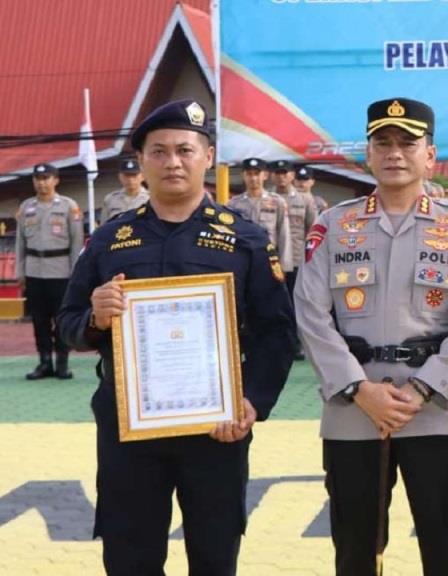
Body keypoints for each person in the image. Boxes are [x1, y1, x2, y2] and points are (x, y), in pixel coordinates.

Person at [56, 99, 294, 575]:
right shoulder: (110, 239)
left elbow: (277, 333)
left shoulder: (245, 239)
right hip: (128, 425)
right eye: (159, 151)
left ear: (208, 157)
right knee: (129, 555)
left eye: (185, 150)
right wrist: (96, 317)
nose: (173, 162)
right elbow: (67, 322)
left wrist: (251, 401)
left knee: (214, 553)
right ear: (141, 160)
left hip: (216, 427)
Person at [294, 97, 448, 575]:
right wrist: (358, 388)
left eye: (408, 143)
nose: (394, 153)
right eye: (382, 142)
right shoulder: (334, 224)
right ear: (368, 153)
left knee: (447, 547)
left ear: (431, 155)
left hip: (436, 411)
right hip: (354, 410)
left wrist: (425, 387)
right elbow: (310, 312)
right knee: (356, 550)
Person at [15, 163, 84, 380]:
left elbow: (77, 242)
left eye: (46, 178)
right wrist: (20, 271)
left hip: (61, 271)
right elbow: (20, 242)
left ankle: (62, 363)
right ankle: (44, 362)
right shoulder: (27, 207)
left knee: (61, 318)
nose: (41, 183)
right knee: (39, 320)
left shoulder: (68, 206)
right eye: (38, 178)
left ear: (56, 180)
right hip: (34, 270)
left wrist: (75, 273)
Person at [272, 159, 317, 360]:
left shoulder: (305, 200)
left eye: (285, 173)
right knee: (273, 304)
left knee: (294, 304)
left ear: (292, 175)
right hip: (271, 261)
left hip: (297, 260)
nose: (281, 177)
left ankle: (296, 344)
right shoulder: (269, 199)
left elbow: (313, 231)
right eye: (278, 173)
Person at [227, 158, 292, 273]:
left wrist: (284, 266)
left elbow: (284, 234)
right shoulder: (233, 204)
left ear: (265, 175)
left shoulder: (277, 201)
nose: (253, 178)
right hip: (242, 259)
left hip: (268, 259)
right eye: (249, 174)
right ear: (243, 176)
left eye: (257, 174)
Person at [100, 158, 149, 224]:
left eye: (134, 176)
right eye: (127, 176)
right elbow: (104, 225)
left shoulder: (151, 199)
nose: (130, 180)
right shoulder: (111, 199)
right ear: (120, 177)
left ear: (142, 176)